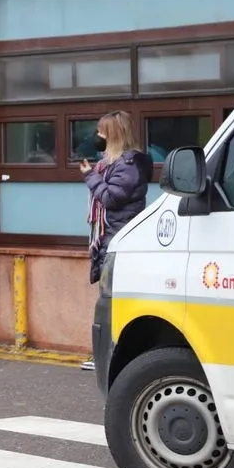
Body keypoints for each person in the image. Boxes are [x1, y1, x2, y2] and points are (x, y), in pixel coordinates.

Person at [79, 110, 153, 371]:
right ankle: (106, 356)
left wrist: (91, 177)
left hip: (119, 240)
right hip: (111, 237)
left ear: (114, 136)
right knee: (109, 299)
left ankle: (108, 357)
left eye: (101, 132)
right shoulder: (114, 163)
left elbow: (111, 198)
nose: (96, 137)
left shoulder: (128, 165)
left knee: (112, 301)